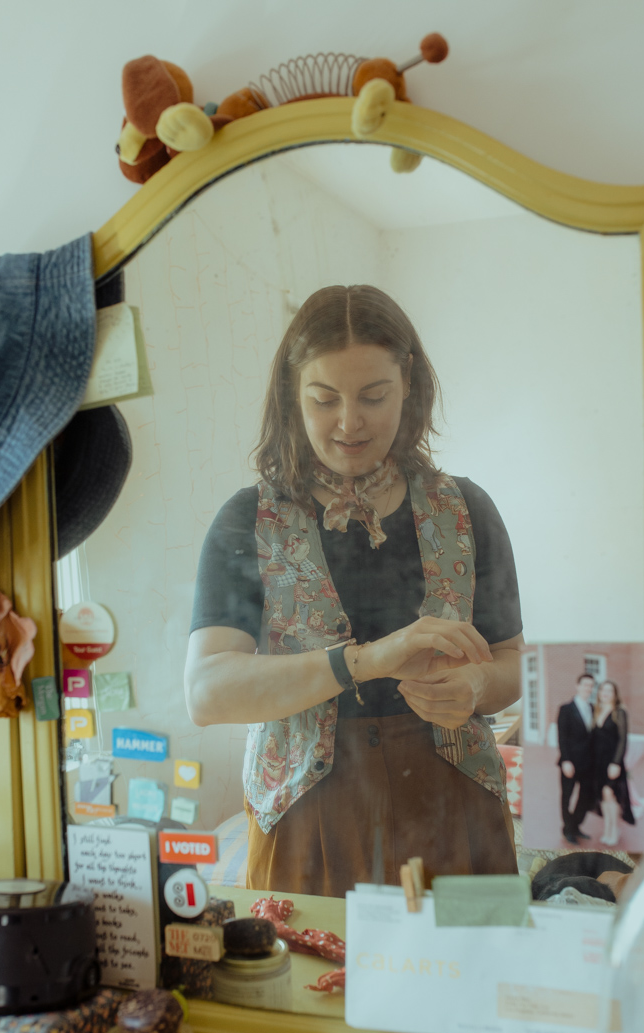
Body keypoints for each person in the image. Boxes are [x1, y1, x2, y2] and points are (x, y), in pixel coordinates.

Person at [184, 284, 524, 898]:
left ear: (408, 384)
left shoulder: (467, 509)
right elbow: (206, 693)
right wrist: (364, 661)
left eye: (373, 396)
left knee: (472, 961)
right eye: (324, 399)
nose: (349, 422)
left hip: (458, 806)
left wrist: (476, 685)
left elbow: (512, 664)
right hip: (308, 816)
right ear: (292, 396)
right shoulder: (248, 521)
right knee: (308, 964)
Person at [591, 680, 634, 846]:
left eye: (609, 690)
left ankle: (614, 829)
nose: (605, 693)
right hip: (598, 763)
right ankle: (607, 829)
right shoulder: (597, 711)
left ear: (615, 694)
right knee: (603, 796)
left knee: (610, 793)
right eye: (603, 690)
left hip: (613, 761)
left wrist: (616, 763)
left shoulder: (619, 712)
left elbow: (623, 740)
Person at [557, 673, 595, 845]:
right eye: (585, 685)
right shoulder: (566, 709)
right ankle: (568, 829)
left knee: (586, 797)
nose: (588, 688)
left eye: (591, 686)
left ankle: (575, 826)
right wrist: (566, 760)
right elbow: (562, 737)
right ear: (577, 686)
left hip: (588, 763)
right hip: (570, 762)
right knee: (567, 796)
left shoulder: (593, 709)